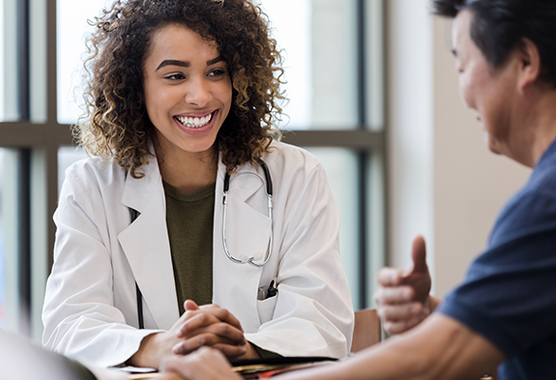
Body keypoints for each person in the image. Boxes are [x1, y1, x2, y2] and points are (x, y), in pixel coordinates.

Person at [151, 0, 556, 379]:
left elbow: (438, 357)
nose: (463, 94)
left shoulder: (545, 205)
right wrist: (438, 316)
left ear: (525, 62)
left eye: (463, 65)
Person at [42, 0, 354, 370]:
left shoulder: (297, 175)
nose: (201, 96)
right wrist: (160, 347)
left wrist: (237, 346)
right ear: (135, 86)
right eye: (175, 76)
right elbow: (68, 326)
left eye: (216, 72)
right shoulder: (92, 186)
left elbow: (324, 321)